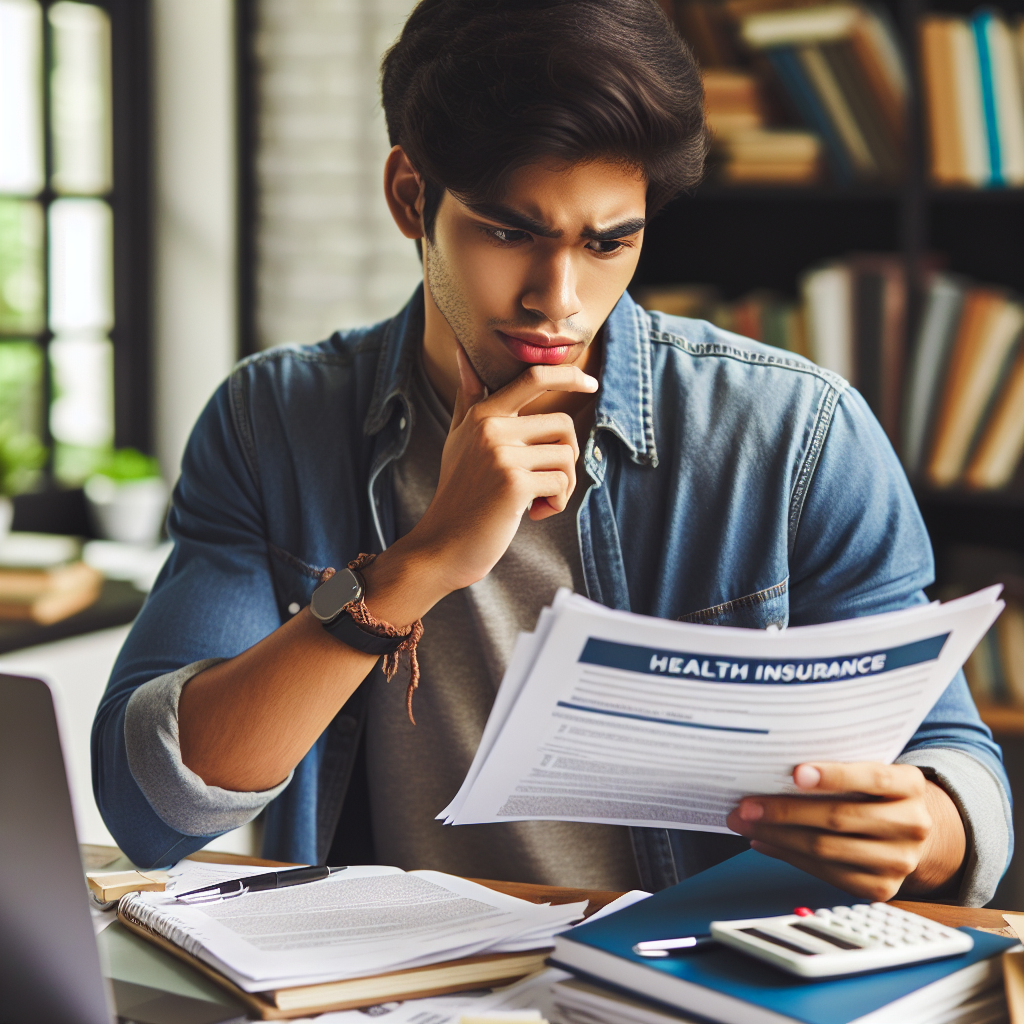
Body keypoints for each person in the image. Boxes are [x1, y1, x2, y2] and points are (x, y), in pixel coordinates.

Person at [93, 0, 1010, 904]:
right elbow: (153, 807)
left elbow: (959, 772)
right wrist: (418, 566)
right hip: (380, 992)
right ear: (411, 196)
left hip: (686, 987)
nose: (558, 300)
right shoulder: (274, 419)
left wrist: (920, 828)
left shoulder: (796, 434)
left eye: (611, 241)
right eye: (511, 232)